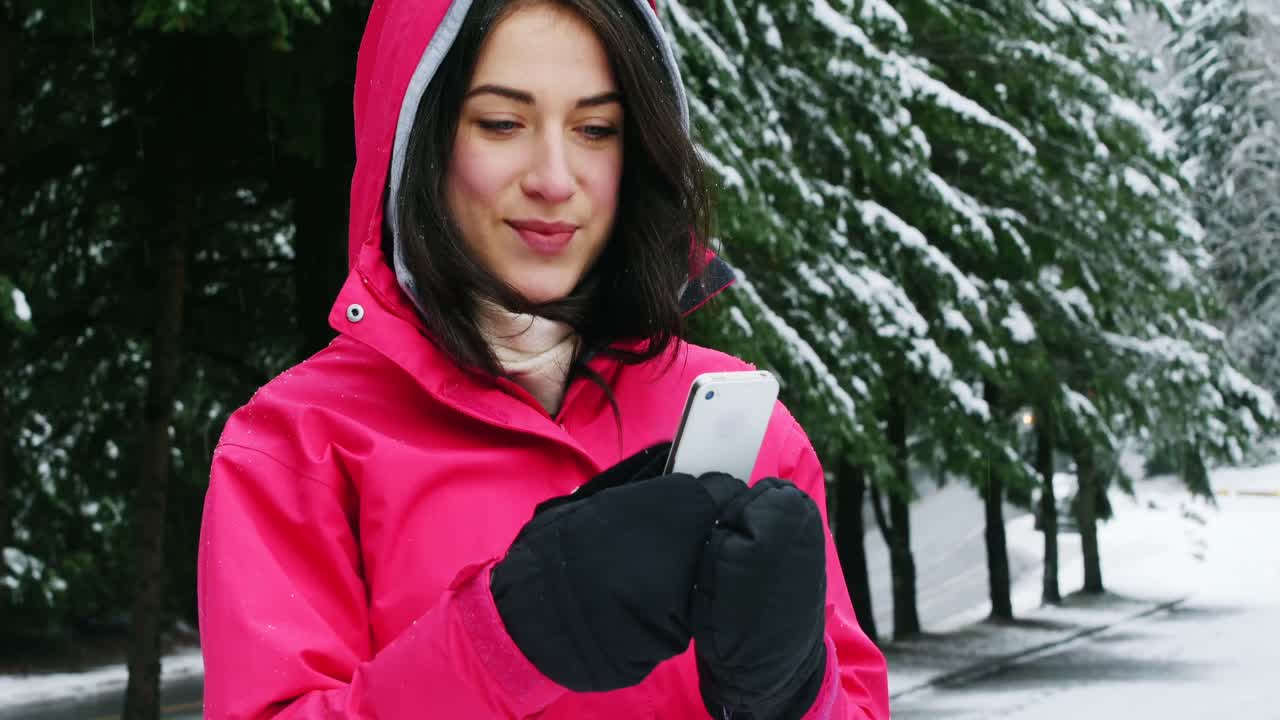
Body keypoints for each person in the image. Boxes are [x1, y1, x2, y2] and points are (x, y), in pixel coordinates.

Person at [196, 0, 891, 717]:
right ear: (420, 136)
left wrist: (793, 693)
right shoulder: (297, 443)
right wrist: (500, 645)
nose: (555, 180)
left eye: (596, 129)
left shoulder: (743, 426)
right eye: (502, 123)